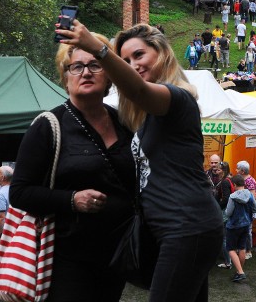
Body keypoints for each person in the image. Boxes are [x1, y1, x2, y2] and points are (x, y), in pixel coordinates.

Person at [59, 22, 223, 302]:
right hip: (178, 229)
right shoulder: (147, 119)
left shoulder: (178, 99)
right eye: (125, 60)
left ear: (161, 54)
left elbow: (138, 91)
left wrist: (97, 49)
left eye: (139, 55)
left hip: (186, 226)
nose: (132, 64)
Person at [10, 34, 135, 301]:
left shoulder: (124, 122)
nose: (85, 72)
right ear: (66, 77)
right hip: (67, 259)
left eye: (95, 65)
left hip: (117, 255)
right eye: (76, 66)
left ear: (110, 75)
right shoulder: (48, 125)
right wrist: (72, 199)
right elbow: (19, 193)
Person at [225, 174, 256, 283]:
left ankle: (240, 272)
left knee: (230, 249)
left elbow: (228, 212)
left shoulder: (232, 197)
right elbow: (254, 209)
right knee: (242, 248)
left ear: (234, 185)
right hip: (246, 225)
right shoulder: (250, 195)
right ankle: (239, 272)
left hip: (234, 225)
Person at [236, 160, 256, 259]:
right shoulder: (240, 179)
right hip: (240, 209)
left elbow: (252, 197)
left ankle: (248, 251)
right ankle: (240, 248)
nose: (236, 170)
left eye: (237, 168)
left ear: (242, 171)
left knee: (247, 231)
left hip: (247, 210)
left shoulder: (250, 181)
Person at [216, 161, 234, 269]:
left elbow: (226, 198)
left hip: (225, 211)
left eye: (218, 170)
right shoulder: (230, 179)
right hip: (229, 210)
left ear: (223, 171)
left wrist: (217, 205)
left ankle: (228, 262)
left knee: (224, 238)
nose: (216, 172)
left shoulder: (224, 182)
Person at [0, 166, 13, 233]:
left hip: (5, 231)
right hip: (15, 228)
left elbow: (1, 217)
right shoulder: (16, 191)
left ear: (3, 177)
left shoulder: (0, 194)